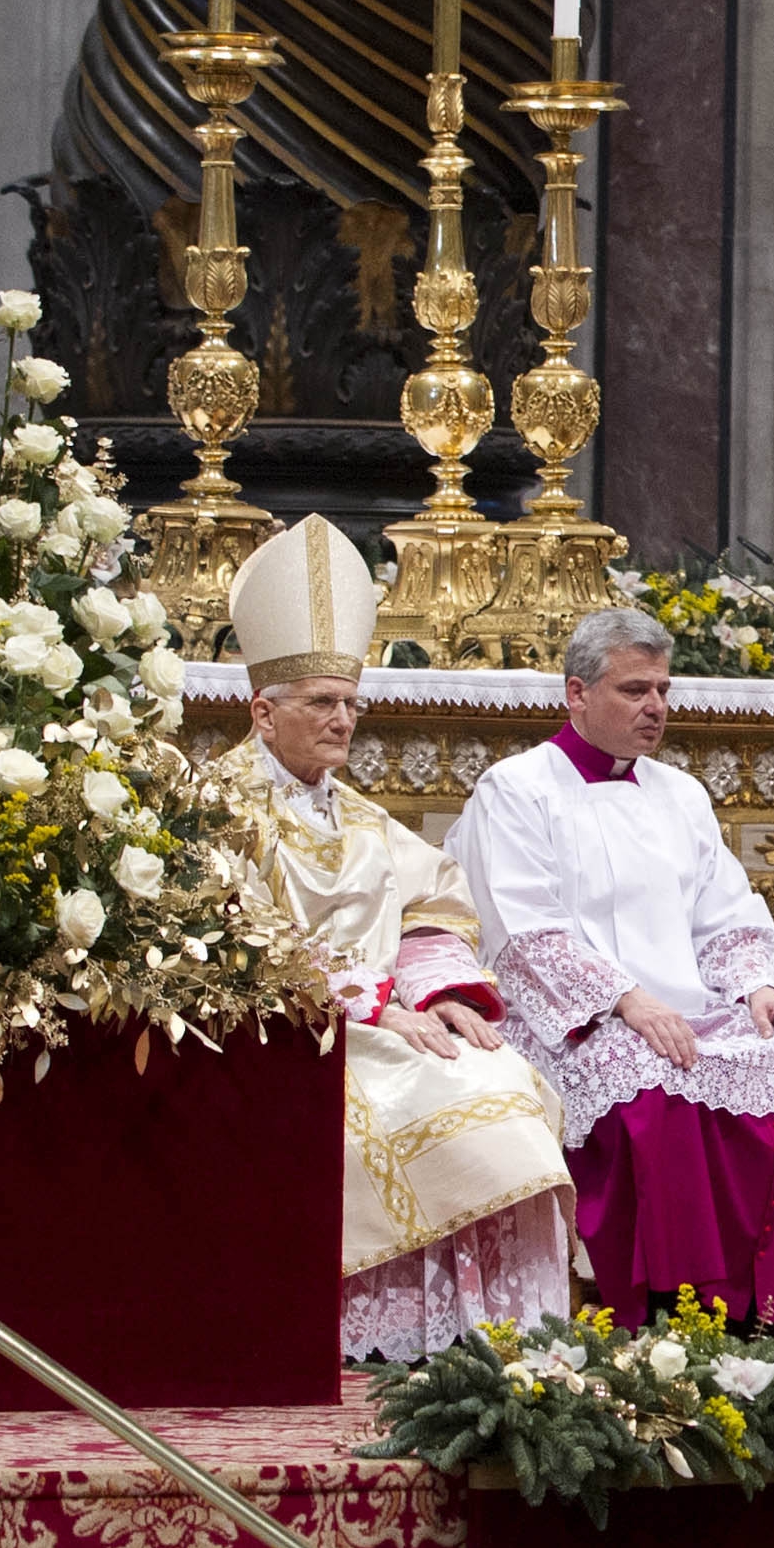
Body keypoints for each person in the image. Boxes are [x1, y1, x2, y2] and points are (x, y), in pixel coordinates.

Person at [221, 518, 573, 1362]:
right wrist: (370, 1003)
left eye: (352, 703)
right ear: (264, 712)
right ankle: (387, 1340)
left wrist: (437, 994)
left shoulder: (365, 817)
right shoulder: (218, 808)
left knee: (505, 1075)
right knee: (449, 1104)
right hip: (295, 1034)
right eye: (323, 704)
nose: (345, 721)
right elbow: (229, 940)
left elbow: (437, 909)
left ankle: (490, 1337)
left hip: (390, 1021)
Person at [453, 603, 774, 1324]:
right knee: (645, 1076)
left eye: (663, 690)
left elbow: (726, 911)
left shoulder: (681, 794)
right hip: (567, 1017)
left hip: (682, 1006)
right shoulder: (515, 790)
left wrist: (761, 986)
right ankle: (671, 1306)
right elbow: (525, 933)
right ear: (577, 694)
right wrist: (625, 1002)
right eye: (634, 689)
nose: (656, 707)